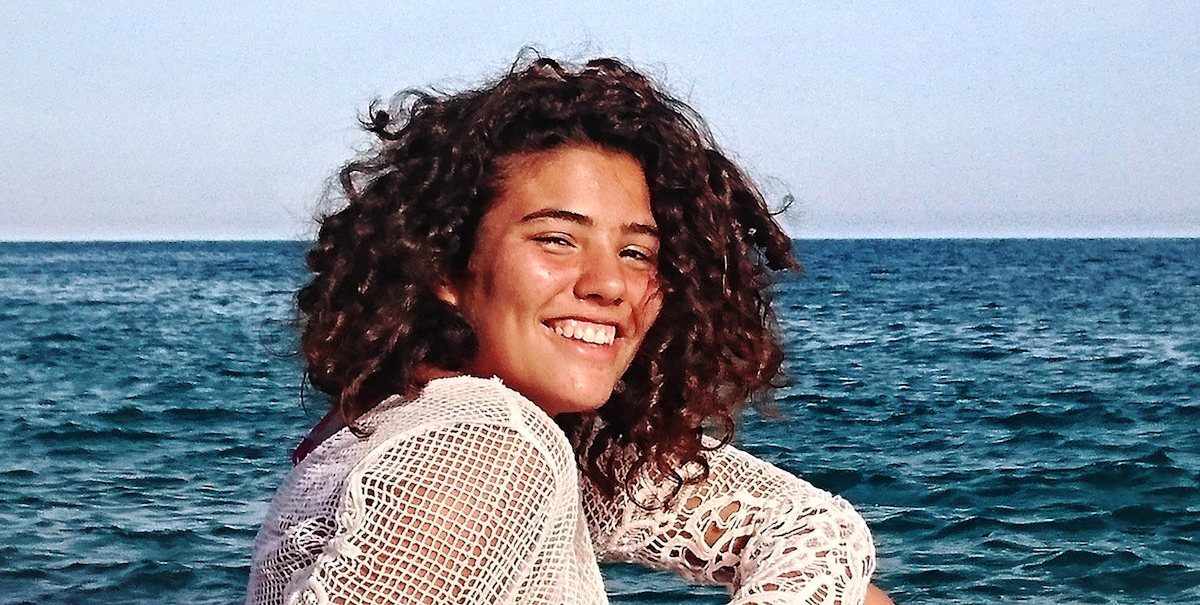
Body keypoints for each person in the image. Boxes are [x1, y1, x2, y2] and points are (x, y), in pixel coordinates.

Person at [247, 55, 893, 604]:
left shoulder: (429, 424)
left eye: (637, 252)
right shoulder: (488, 448)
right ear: (445, 262)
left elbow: (815, 527)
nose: (609, 284)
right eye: (557, 239)